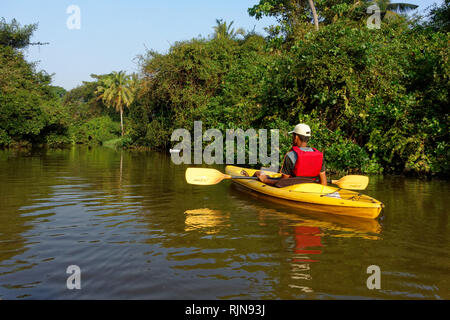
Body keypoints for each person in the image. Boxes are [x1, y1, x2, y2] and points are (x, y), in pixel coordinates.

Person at [253, 123, 327, 187]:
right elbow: (324, 183)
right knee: (259, 173)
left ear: (296, 137)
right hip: (311, 186)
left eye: (293, 135)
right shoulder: (319, 155)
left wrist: (265, 180)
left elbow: (282, 183)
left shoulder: (291, 155)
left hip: (292, 187)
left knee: (258, 174)